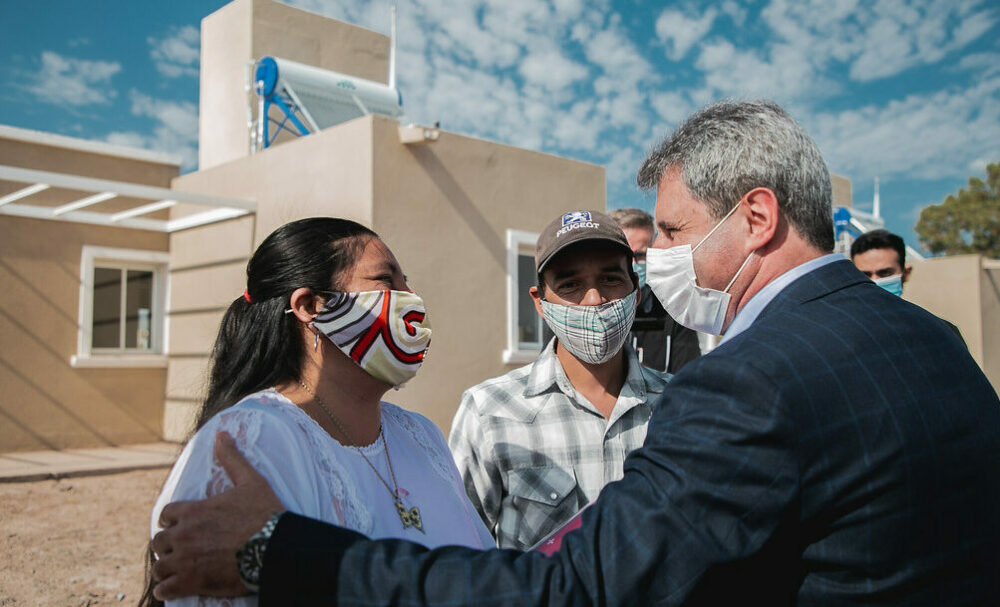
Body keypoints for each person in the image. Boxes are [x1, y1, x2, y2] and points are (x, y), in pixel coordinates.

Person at [150, 101, 1000, 605]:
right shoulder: (939, 343)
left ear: (757, 218)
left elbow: (571, 589)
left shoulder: (746, 382)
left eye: (666, 233)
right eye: (571, 282)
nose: (650, 264)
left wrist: (273, 552)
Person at [141, 218, 493, 606]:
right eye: (386, 281)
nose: (412, 299)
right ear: (310, 306)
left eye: (406, 282)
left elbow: (485, 576)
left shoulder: (421, 436)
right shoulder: (250, 442)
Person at [449, 210, 671, 549]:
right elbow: (460, 552)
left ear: (636, 291)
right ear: (540, 302)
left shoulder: (678, 404)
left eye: (611, 279)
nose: (595, 300)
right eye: (570, 285)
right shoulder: (489, 412)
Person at [609, 207, 701, 372]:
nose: (633, 264)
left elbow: (689, 380)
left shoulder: (675, 311)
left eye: (641, 255)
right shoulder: (592, 313)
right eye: (625, 254)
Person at [850, 228, 965, 342]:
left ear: (906, 273)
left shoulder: (941, 332)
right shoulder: (844, 334)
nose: (874, 281)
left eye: (885, 273)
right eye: (865, 275)